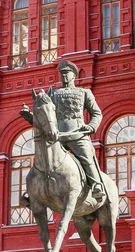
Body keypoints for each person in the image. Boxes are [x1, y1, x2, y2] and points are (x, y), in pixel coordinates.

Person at [20, 60, 105, 200]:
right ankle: (32, 191)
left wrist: (91, 126)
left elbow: (97, 113)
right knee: (41, 158)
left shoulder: (84, 92)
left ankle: (96, 185)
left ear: (74, 76)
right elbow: (44, 117)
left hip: (77, 135)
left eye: (67, 73)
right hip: (57, 137)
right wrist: (30, 116)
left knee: (87, 157)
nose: (65, 76)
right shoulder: (52, 94)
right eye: (62, 74)